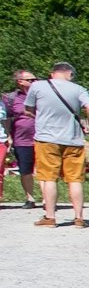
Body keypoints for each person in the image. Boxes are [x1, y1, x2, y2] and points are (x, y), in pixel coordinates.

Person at [26, 62, 89, 228]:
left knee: (49, 178)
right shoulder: (79, 89)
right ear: (70, 74)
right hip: (73, 139)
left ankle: (50, 217)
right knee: (75, 179)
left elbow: (28, 110)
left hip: (47, 139)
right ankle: (79, 218)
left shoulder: (37, 86)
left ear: (52, 73)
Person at [5, 70, 38, 206]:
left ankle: (48, 200)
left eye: (35, 79)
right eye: (31, 80)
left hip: (43, 137)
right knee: (25, 170)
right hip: (21, 139)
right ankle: (30, 198)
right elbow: (6, 118)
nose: (34, 82)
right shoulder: (11, 98)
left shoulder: (41, 95)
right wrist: (8, 136)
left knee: (45, 170)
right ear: (20, 82)